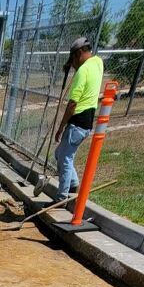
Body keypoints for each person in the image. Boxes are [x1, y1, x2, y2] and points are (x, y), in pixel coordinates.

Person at [53, 38, 104, 202]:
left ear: (79, 53)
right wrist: (73, 67)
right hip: (87, 122)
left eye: (73, 60)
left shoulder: (82, 71)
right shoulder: (98, 63)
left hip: (77, 123)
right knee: (60, 153)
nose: (73, 64)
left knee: (65, 158)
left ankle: (61, 197)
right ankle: (73, 184)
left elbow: (73, 104)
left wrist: (61, 127)